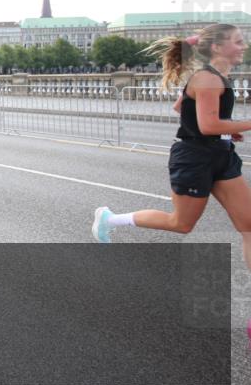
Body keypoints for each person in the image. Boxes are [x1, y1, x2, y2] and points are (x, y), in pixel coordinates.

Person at [92, 25, 251, 264]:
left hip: (221, 154)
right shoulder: (207, 78)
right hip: (195, 158)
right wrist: (232, 126)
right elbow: (208, 126)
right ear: (217, 48)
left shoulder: (215, 76)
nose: (245, 46)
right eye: (238, 42)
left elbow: (181, 107)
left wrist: (227, 128)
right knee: (181, 224)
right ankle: (110, 219)